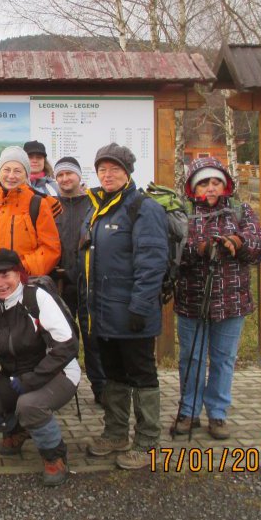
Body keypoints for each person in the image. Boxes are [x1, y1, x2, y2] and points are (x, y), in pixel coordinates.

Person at [0, 249, 80, 487]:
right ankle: (18, 430)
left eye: (6, 275)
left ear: (19, 274)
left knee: (29, 404)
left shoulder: (37, 299)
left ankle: (54, 455)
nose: (0, 283)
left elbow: (67, 347)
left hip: (58, 372)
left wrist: (31, 380)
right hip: (14, 376)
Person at [81, 143, 167, 470]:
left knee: (142, 375)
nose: (108, 174)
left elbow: (152, 262)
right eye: (102, 168)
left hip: (132, 313)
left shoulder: (143, 208)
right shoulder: (100, 207)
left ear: (128, 172)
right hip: (103, 312)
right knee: (114, 374)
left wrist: (140, 308)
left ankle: (147, 442)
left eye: (114, 168)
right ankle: (116, 432)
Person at [173, 157, 261, 440]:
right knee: (190, 358)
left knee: (223, 359)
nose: (211, 188)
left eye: (216, 181)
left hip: (232, 302)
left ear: (225, 184)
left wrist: (237, 243)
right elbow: (174, 255)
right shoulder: (183, 214)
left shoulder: (241, 212)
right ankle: (188, 410)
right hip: (192, 301)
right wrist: (200, 249)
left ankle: (217, 414)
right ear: (193, 187)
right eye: (204, 182)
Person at [52, 156, 105, 405]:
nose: (64, 179)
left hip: (89, 282)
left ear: (78, 176)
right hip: (59, 283)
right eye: (60, 175)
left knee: (93, 337)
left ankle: (101, 387)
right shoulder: (50, 205)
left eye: (68, 174)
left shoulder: (94, 203)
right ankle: (59, 387)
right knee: (60, 339)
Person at [0, 145, 61, 277]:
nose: (11, 176)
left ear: (26, 174)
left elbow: (50, 249)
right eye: (6, 170)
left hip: (25, 283)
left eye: (17, 171)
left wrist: (18, 270)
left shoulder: (37, 204)